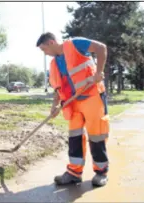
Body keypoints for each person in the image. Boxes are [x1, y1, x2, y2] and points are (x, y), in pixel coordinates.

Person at [36, 32, 109, 187]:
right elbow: (58, 88)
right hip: (73, 102)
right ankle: (74, 172)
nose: (45, 54)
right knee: (74, 137)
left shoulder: (75, 44)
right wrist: (54, 106)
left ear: (51, 42)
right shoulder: (54, 64)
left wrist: (98, 72)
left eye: (44, 50)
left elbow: (101, 48)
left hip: (91, 96)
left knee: (96, 136)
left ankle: (101, 172)